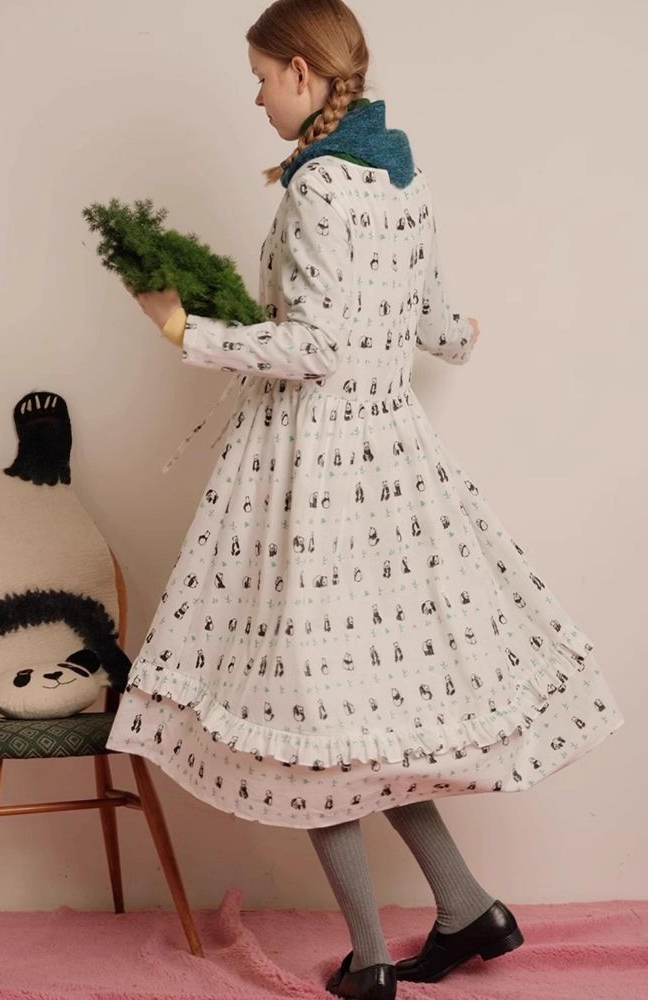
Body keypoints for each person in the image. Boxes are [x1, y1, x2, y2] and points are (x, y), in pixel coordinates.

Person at [106, 3, 626, 998]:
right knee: (358, 721)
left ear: (302, 73)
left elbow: (316, 346)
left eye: (261, 77)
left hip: (315, 478)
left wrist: (185, 332)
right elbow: (438, 325)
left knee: (311, 721)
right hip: (392, 466)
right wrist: (459, 335)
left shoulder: (317, 188)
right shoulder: (400, 176)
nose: (256, 96)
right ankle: (468, 909)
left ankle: (373, 961)